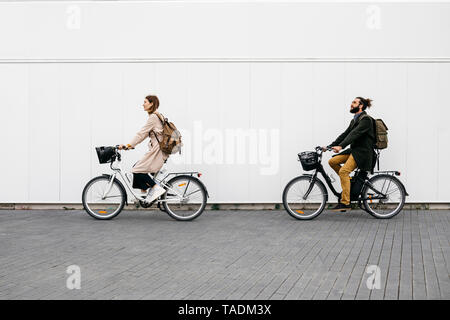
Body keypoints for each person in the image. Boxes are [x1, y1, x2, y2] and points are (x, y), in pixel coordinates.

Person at [323, 97, 376, 212]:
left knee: (343, 171)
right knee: (332, 161)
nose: (351, 104)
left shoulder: (366, 120)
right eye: (352, 102)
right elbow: (345, 134)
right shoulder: (355, 120)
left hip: (363, 153)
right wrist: (329, 146)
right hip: (354, 151)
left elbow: (354, 134)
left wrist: (341, 146)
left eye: (354, 102)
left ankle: (345, 203)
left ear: (361, 106)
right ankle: (349, 181)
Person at [119, 95, 169, 203]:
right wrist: (131, 146)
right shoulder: (157, 116)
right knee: (137, 167)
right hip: (159, 151)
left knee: (137, 169)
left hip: (157, 152)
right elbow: (145, 135)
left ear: (151, 103)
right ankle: (144, 196)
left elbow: (141, 134)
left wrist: (128, 145)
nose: (143, 104)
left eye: (145, 102)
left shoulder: (153, 118)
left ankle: (156, 188)